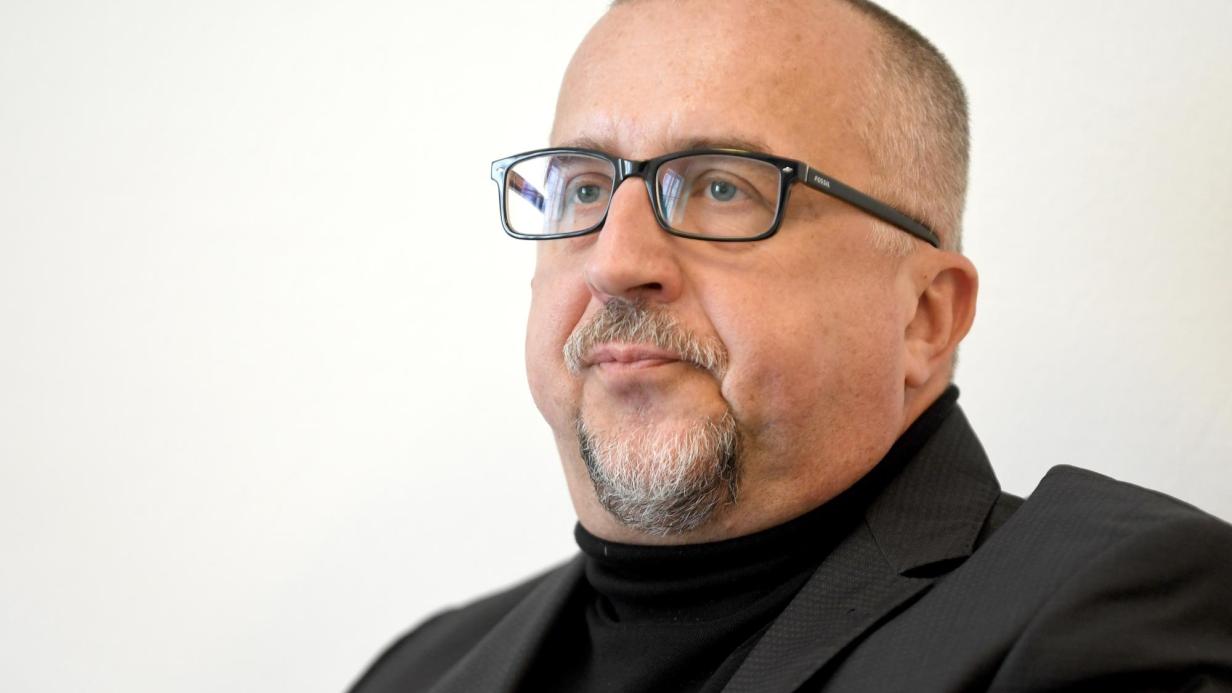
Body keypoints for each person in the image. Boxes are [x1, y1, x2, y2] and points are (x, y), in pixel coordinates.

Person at [350, 0, 1232, 690]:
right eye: (584, 188)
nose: (617, 262)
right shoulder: (417, 670)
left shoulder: (1114, 614)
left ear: (925, 316)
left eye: (721, 187)